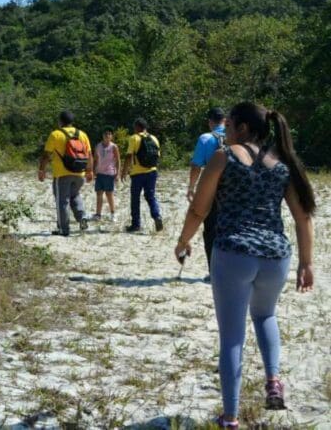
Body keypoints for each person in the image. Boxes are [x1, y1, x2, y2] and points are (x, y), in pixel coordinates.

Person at [174, 102, 315, 429]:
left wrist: (183, 242)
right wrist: (306, 263)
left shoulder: (225, 156)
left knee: (232, 337)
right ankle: (273, 381)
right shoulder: (281, 163)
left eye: (230, 125)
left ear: (240, 127)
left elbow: (199, 209)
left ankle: (230, 417)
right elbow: (302, 217)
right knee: (266, 315)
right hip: (276, 256)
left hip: (234, 252)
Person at [37, 111, 93, 236]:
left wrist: (42, 170)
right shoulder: (82, 134)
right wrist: (90, 171)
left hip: (62, 174)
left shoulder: (56, 134)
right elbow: (89, 154)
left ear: (60, 121)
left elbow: (46, 154)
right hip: (80, 173)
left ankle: (63, 229)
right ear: (72, 121)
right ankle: (82, 216)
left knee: (62, 201)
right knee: (75, 195)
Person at [188, 107, 226, 282]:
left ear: (210, 121)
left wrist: (192, 187)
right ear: (225, 120)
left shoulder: (206, 138)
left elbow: (196, 166)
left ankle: (214, 272)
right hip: (235, 190)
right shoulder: (237, 137)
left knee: (210, 230)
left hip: (212, 190)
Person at [121, 117, 163, 232]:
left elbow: (129, 156)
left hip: (137, 173)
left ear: (137, 127)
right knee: (150, 196)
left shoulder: (134, 138)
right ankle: (157, 216)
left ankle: (136, 224)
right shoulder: (154, 138)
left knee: (135, 198)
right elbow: (157, 156)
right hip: (152, 172)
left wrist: (124, 171)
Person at [91, 126, 120, 222]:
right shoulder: (98, 146)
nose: (107, 135)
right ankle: (98, 214)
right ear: (102, 135)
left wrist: (117, 173)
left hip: (109, 173)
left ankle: (113, 213)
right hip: (100, 173)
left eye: (109, 134)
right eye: (105, 133)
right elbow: (95, 159)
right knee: (99, 194)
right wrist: (93, 170)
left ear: (111, 136)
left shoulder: (114, 146)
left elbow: (118, 161)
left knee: (109, 194)